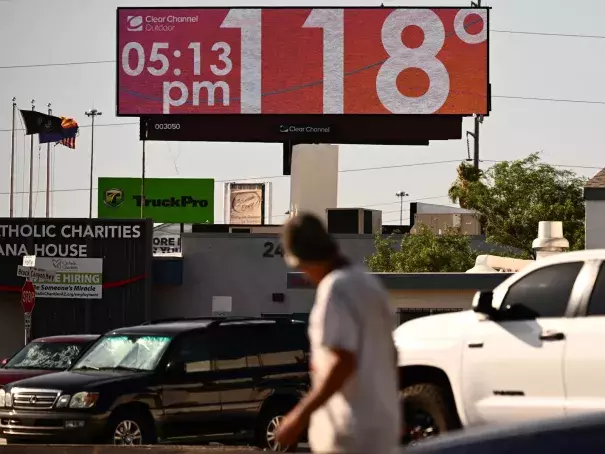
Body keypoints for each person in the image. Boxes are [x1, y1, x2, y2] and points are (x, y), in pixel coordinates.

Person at [275, 212, 400, 454]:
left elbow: (343, 361)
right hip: (382, 427)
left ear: (308, 260)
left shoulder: (335, 289)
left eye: (301, 267)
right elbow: (392, 354)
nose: (304, 275)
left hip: (348, 432)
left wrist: (298, 416)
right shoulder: (368, 283)